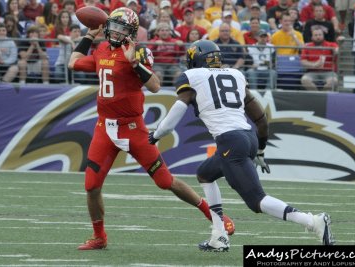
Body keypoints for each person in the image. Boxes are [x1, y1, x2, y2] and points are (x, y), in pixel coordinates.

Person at [68, 7, 234, 250]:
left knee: (165, 181)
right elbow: (73, 62)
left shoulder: (140, 52)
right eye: (113, 26)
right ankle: (99, 237)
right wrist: (89, 35)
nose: (116, 32)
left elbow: (155, 86)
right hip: (104, 128)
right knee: (91, 186)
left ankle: (215, 216)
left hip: (132, 128)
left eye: (122, 29)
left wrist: (134, 63)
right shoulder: (101, 48)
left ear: (132, 33)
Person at [148, 39, 335, 251]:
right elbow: (261, 119)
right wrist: (261, 151)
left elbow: (175, 113)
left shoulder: (192, 77)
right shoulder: (235, 74)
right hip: (248, 137)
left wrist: (156, 135)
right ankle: (218, 236)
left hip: (231, 141)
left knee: (257, 201)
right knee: (205, 174)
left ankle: (312, 222)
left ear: (195, 60)